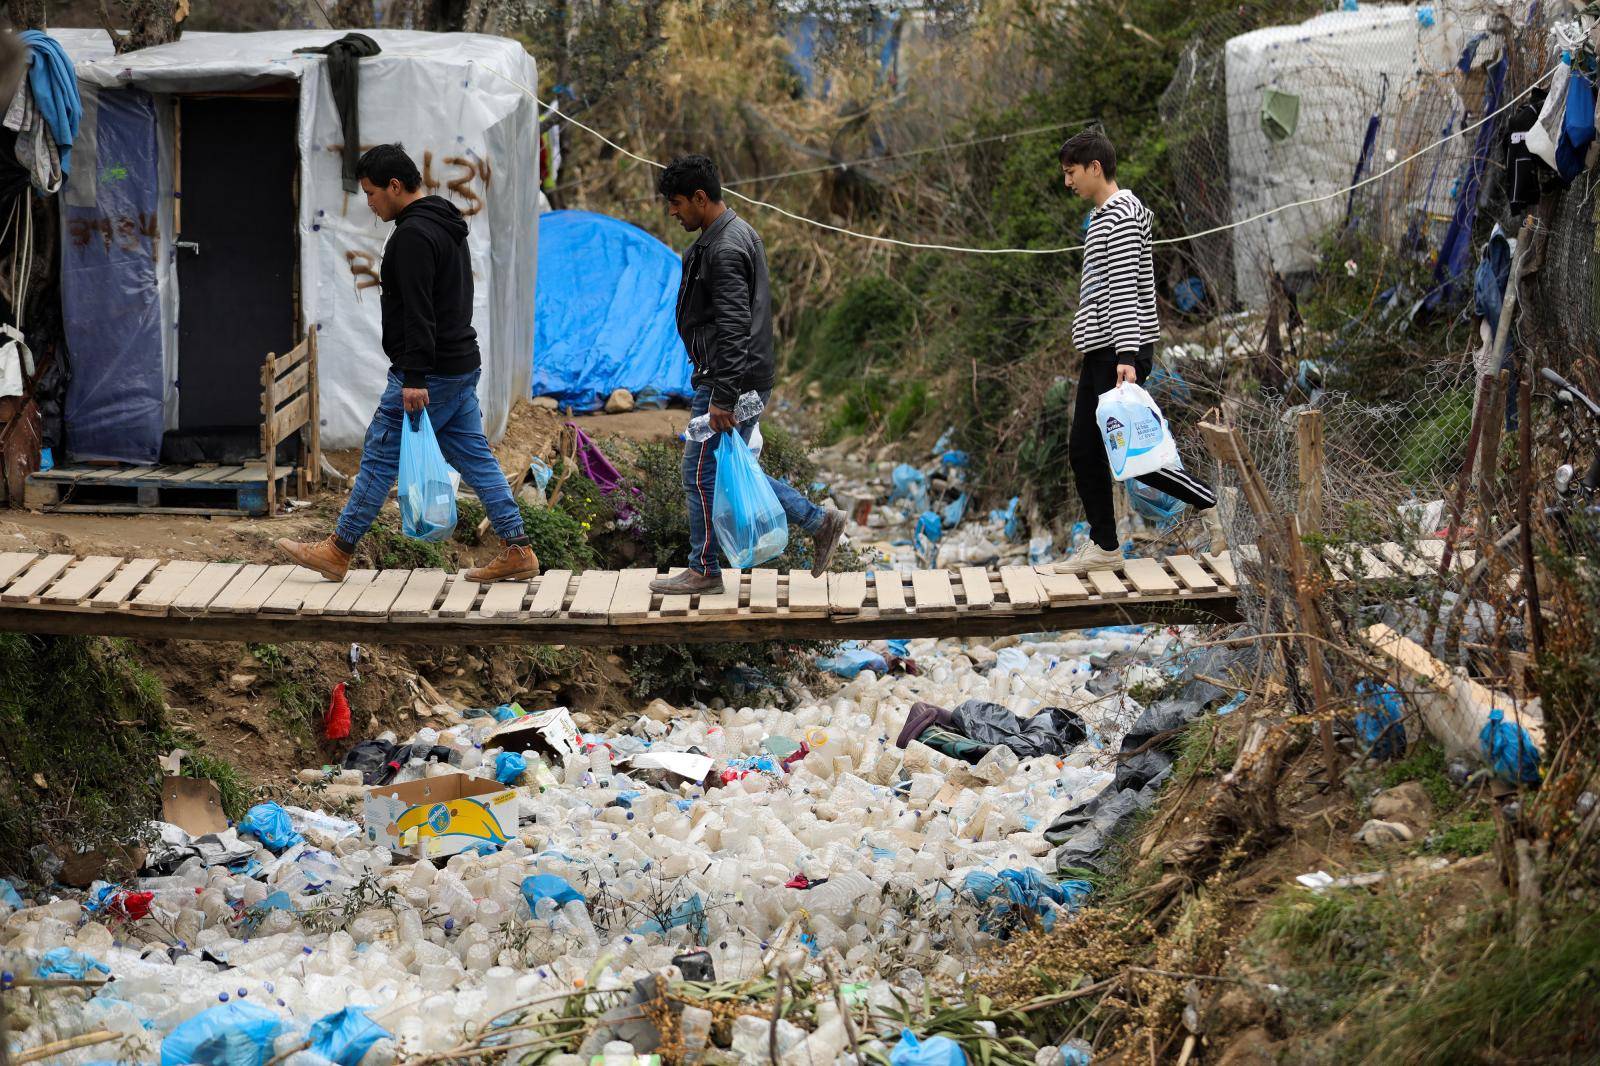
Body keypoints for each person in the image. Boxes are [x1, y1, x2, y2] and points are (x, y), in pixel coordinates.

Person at [276, 144, 539, 583]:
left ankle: (338, 550)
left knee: (380, 455)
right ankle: (518, 548)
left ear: (395, 186)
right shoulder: (445, 223)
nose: (370, 203)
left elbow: (420, 312)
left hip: (428, 374)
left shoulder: (414, 236)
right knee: (475, 458)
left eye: (372, 193)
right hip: (458, 365)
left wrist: (414, 378)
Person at [649, 154, 846, 596]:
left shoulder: (724, 248)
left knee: (699, 472)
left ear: (701, 198)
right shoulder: (732, 235)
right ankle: (818, 522)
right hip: (739, 379)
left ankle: (703, 569)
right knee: (722, 466)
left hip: (730, 382)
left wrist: (721, 397)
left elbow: (735, 326)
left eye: (677, 203)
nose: (673, 212)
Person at [1053, 130, 1221, 575]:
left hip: (1118, 352)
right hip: (1103, 350)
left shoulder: (1121, 216)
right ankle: (1105, 545)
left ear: (1094, 168)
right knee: (1087, 451)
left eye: (1071, 173)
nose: (1068, 183)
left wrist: (1127, 355)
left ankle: (1211, 505)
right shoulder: (1104, 215)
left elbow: (1126, 291)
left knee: (1131, 456)